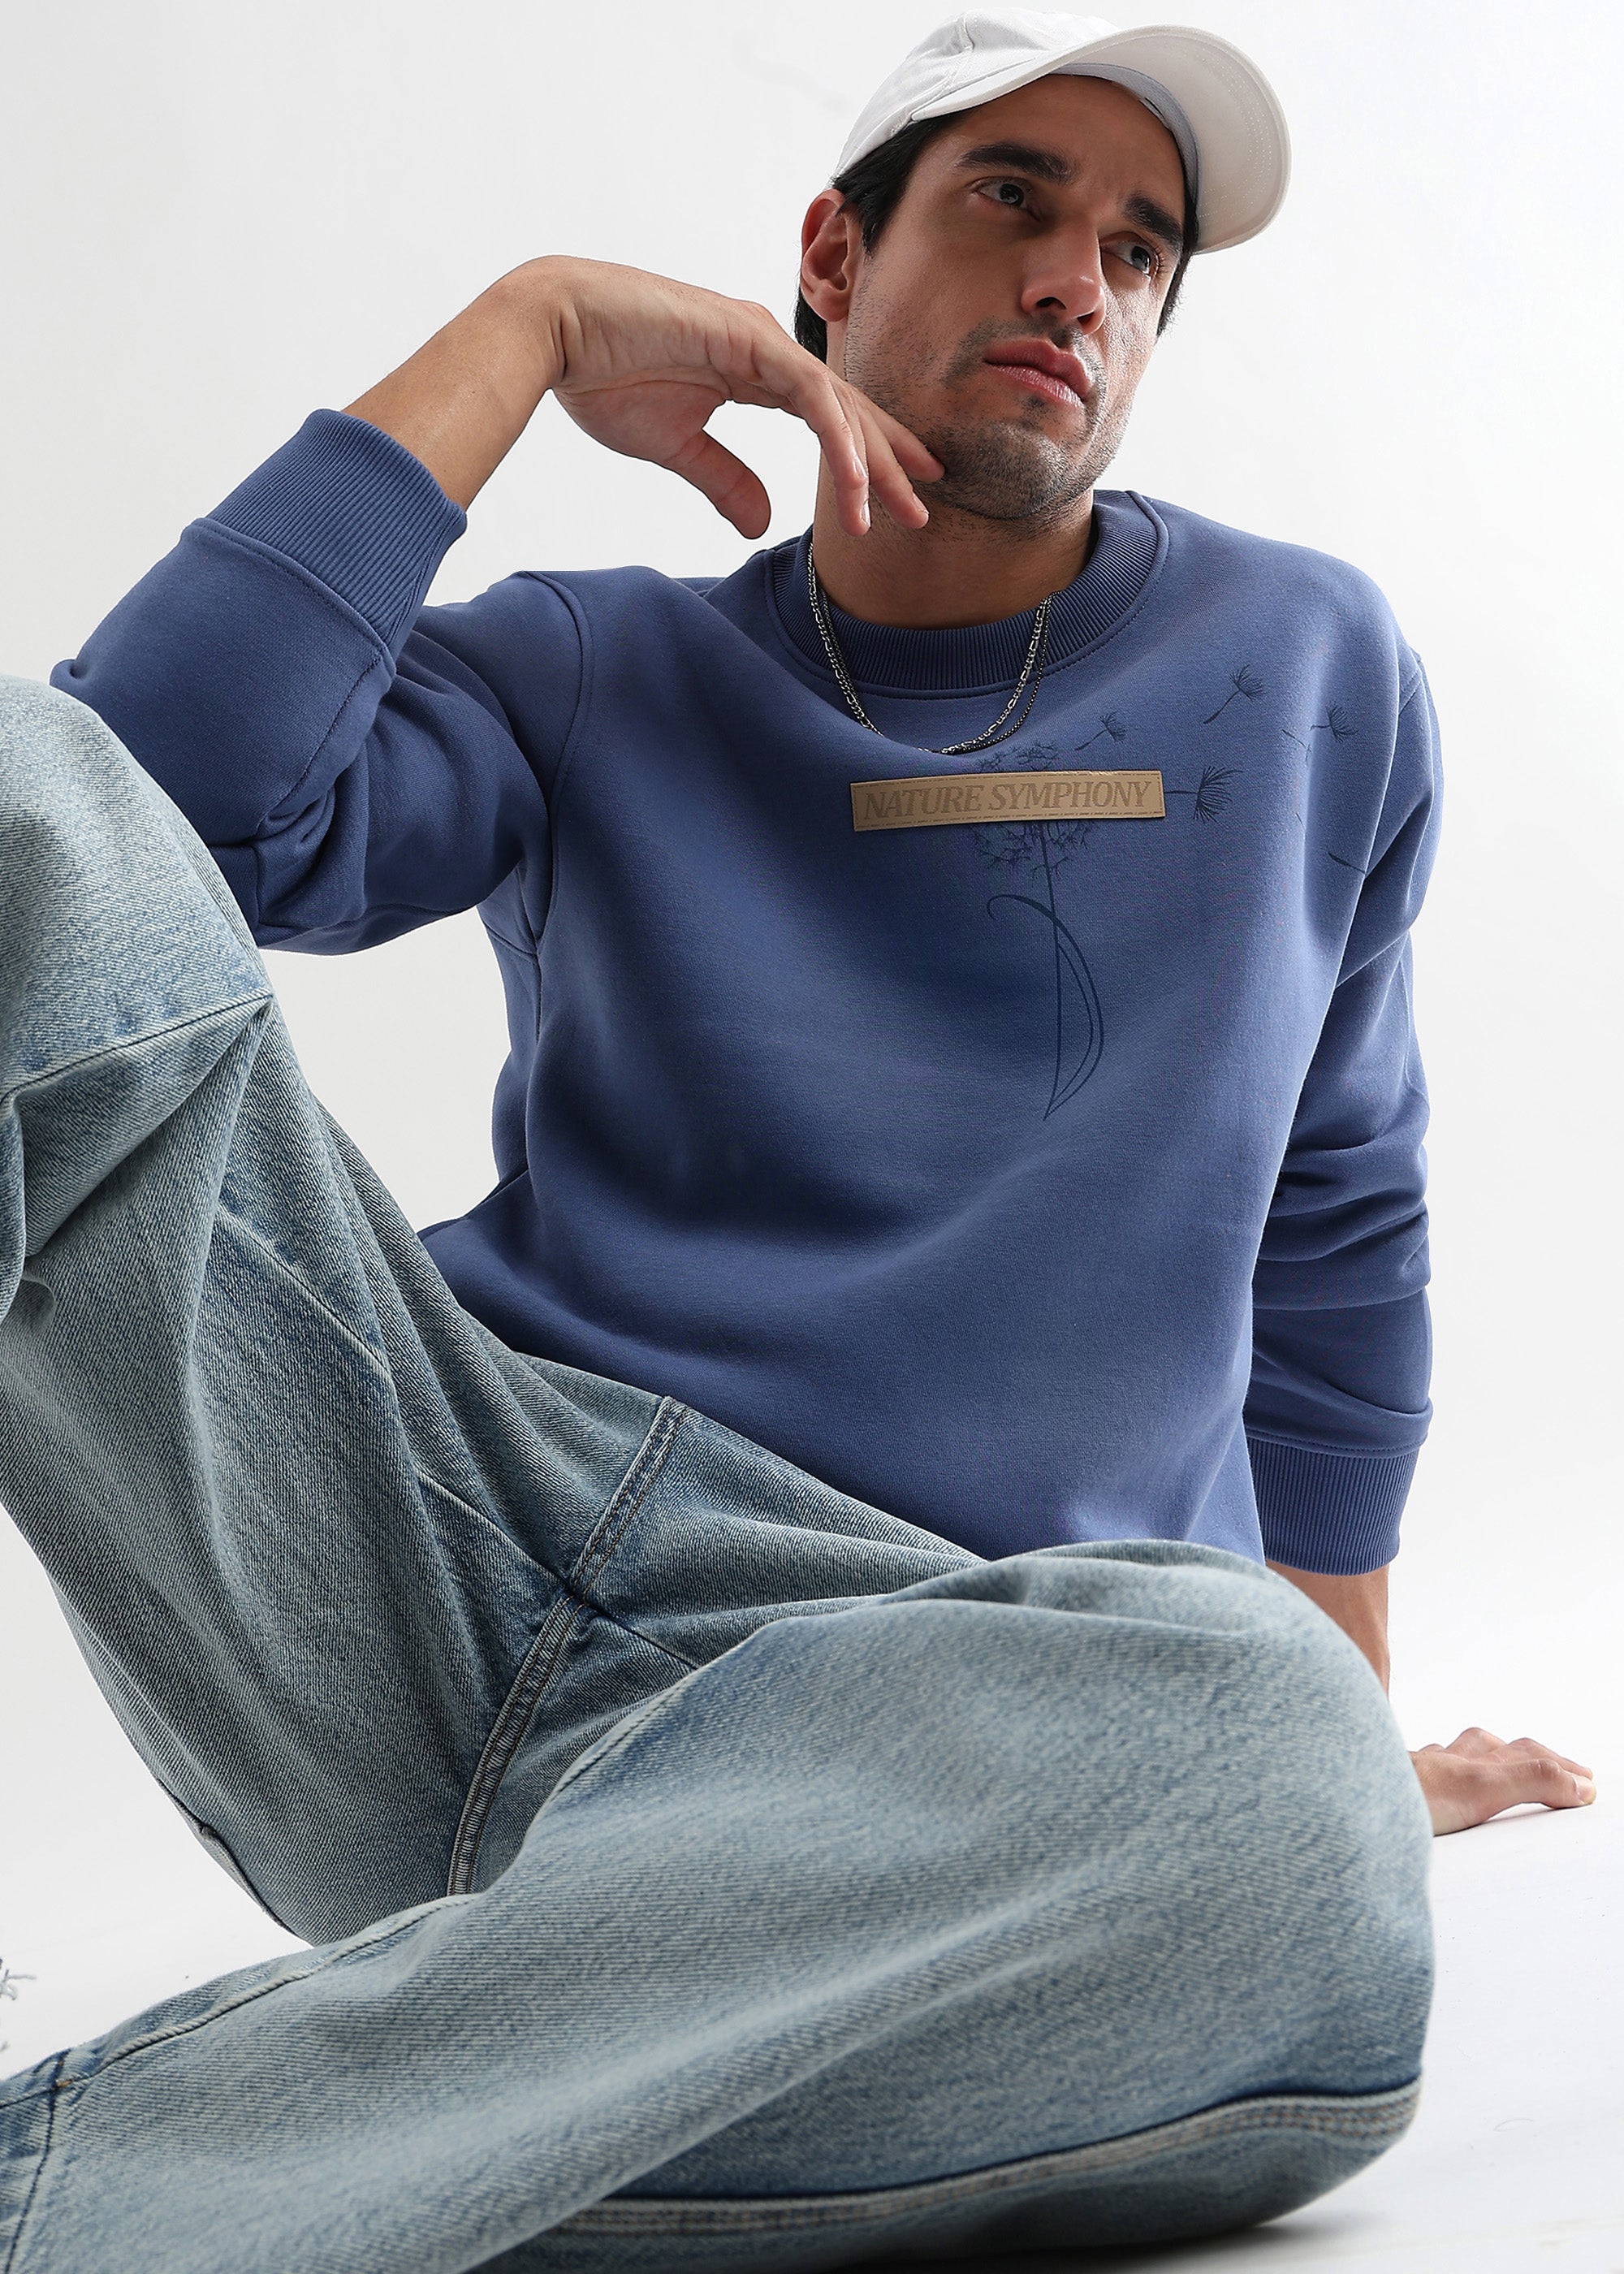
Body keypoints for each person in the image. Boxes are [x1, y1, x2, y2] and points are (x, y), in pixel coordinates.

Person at [0, 14, 1592, 2269]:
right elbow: (128, 821)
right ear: (831, 260)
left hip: (951, 1717)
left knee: (1293, 1809)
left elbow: (1338, 1220)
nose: (1080, 278)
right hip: (451, 1566)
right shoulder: (593, 668)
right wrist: (532, 326)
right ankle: (531, 2082)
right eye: (1014, 198)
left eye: (1141, 249)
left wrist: (1327, 1738)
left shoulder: (1307, 664)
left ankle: (212, 2167)